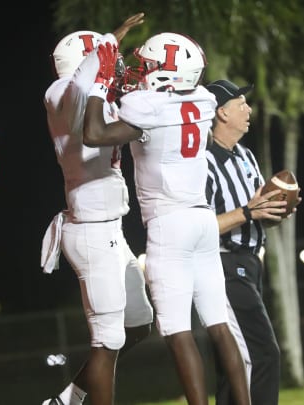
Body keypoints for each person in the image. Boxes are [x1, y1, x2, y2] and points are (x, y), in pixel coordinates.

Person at [82, 33, 251, 405]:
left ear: (167, 73)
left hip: (169, 224)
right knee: (219, 327)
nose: (143, 72)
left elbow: (94, 133)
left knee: (178, 331)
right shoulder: (204, 100)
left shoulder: (148, 107)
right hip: (203, 221)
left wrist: (100, 83)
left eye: (150, 66)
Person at [38, 13, 154, 405]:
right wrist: (110, 39)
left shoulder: (89, 98)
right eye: (107, 60)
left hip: (110, 231)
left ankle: (67, 399)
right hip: (90, 230)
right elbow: (80, 82)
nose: (114, 69)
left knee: (138, 324)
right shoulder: (61, 93)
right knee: (108, 338)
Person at [203, 79, 300, 405]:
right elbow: (198, 227)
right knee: (262, 355)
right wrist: (248, 211)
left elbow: (258, 214)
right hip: (223, 265)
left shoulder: (245, 155)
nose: (249, 110)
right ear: (221, 113)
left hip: (249, 263)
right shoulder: (203, 163)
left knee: (236, 364)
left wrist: (274, 211)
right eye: (241, 104)